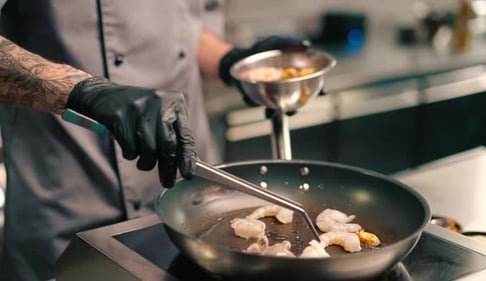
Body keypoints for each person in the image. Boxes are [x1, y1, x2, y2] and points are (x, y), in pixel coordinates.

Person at [0, 1, 309, 280]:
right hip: (71, 200)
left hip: (191, 205)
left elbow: (183, 29)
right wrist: (84, 92)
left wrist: (231, 62)